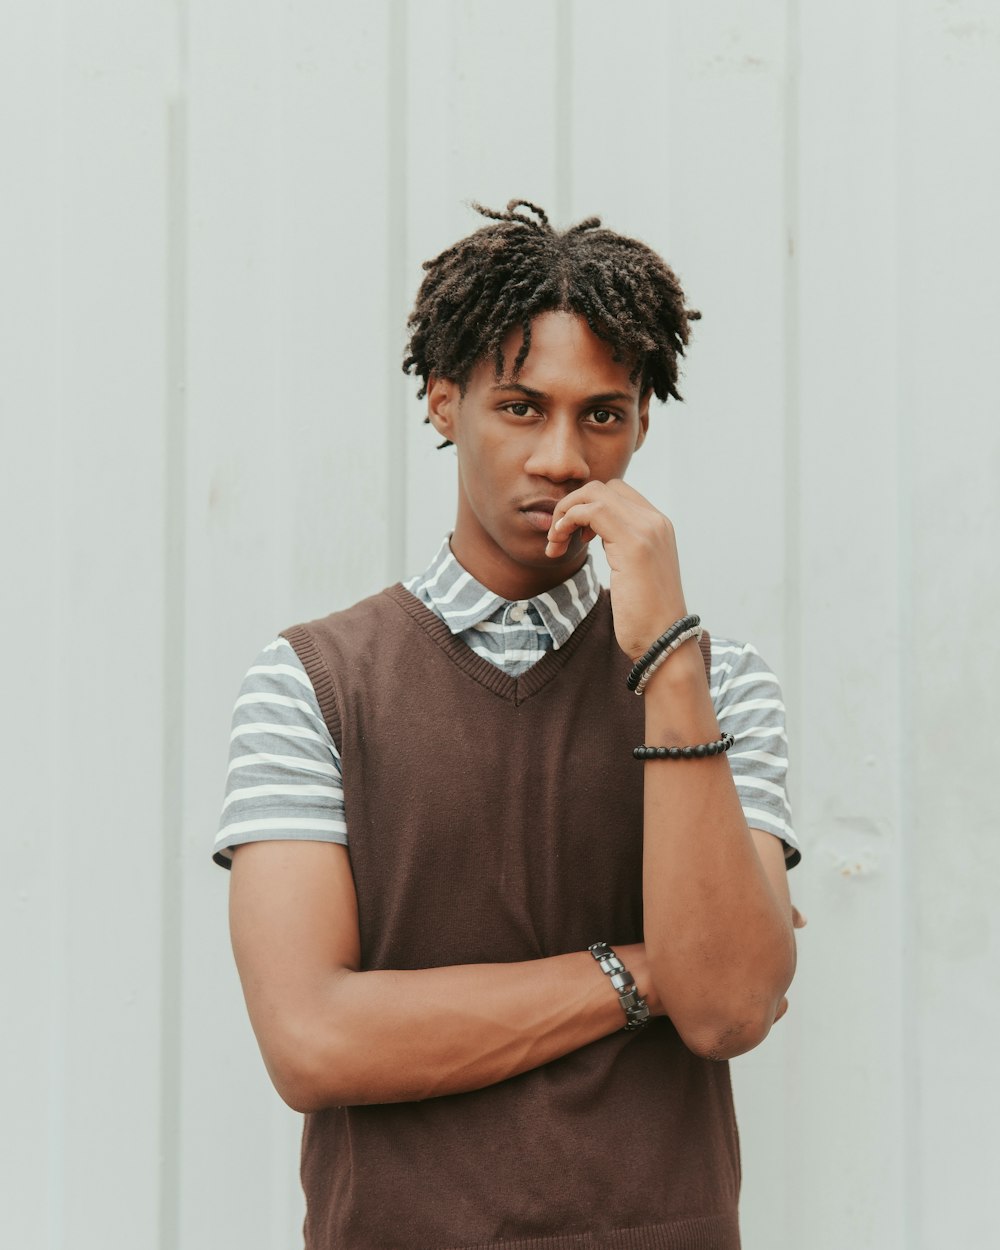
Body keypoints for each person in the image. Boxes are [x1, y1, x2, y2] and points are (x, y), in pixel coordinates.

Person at [215, 199, 802, 1250]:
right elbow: (311, 1039)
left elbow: (726, 1011)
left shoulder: (726, 686)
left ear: (640, 424)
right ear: (445, 403)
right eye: (522, 407)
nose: (563, 457)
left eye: (603, 414)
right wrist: (642, 968)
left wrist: (668, 656)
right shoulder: (311, 683)